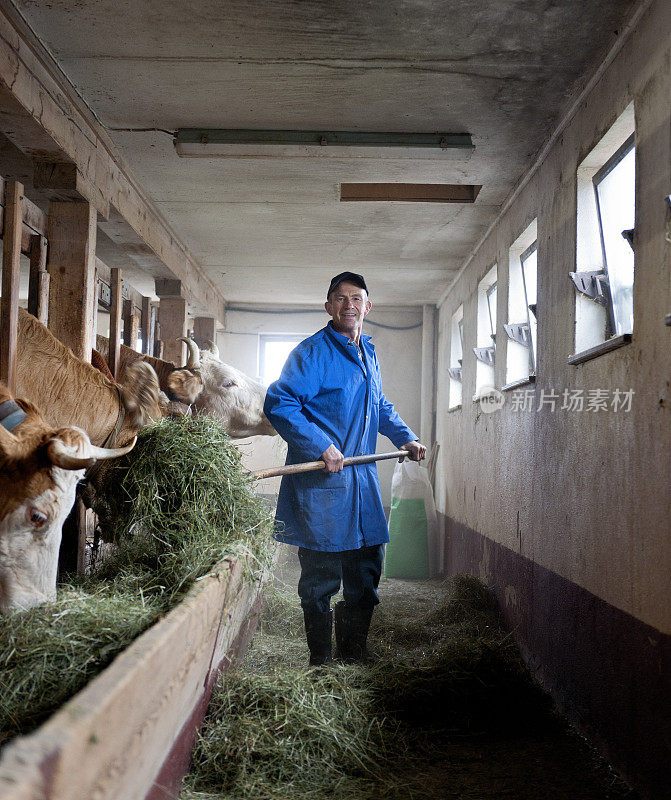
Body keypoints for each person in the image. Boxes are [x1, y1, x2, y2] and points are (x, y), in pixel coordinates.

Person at [263, 272, 426, 666]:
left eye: (356, 298)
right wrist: (322, 445)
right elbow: (279, 403)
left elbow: (379, 406)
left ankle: (353, 652)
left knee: (366, 570)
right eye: (339, 298)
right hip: (324, 482)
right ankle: (321, 662)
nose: (348, 305)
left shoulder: (368, 351)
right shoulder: (312, 353)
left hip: (362, 480)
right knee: (320, 578)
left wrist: (405, 437)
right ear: (328, 306)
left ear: (367, 307)